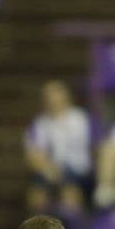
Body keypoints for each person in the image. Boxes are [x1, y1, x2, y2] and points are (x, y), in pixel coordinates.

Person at [23, 81, 91, 215]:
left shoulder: (82, 119)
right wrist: (49, 169)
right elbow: (32, 154)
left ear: (66, 98)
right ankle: (38, 227)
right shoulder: (39, 124)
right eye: (48, 98)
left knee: (69, 187)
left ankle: (72, 227)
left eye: (55, 97)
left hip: (79, 169)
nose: (52, 101)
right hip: (49, 170)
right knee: (36, 191)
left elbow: (96, 148)